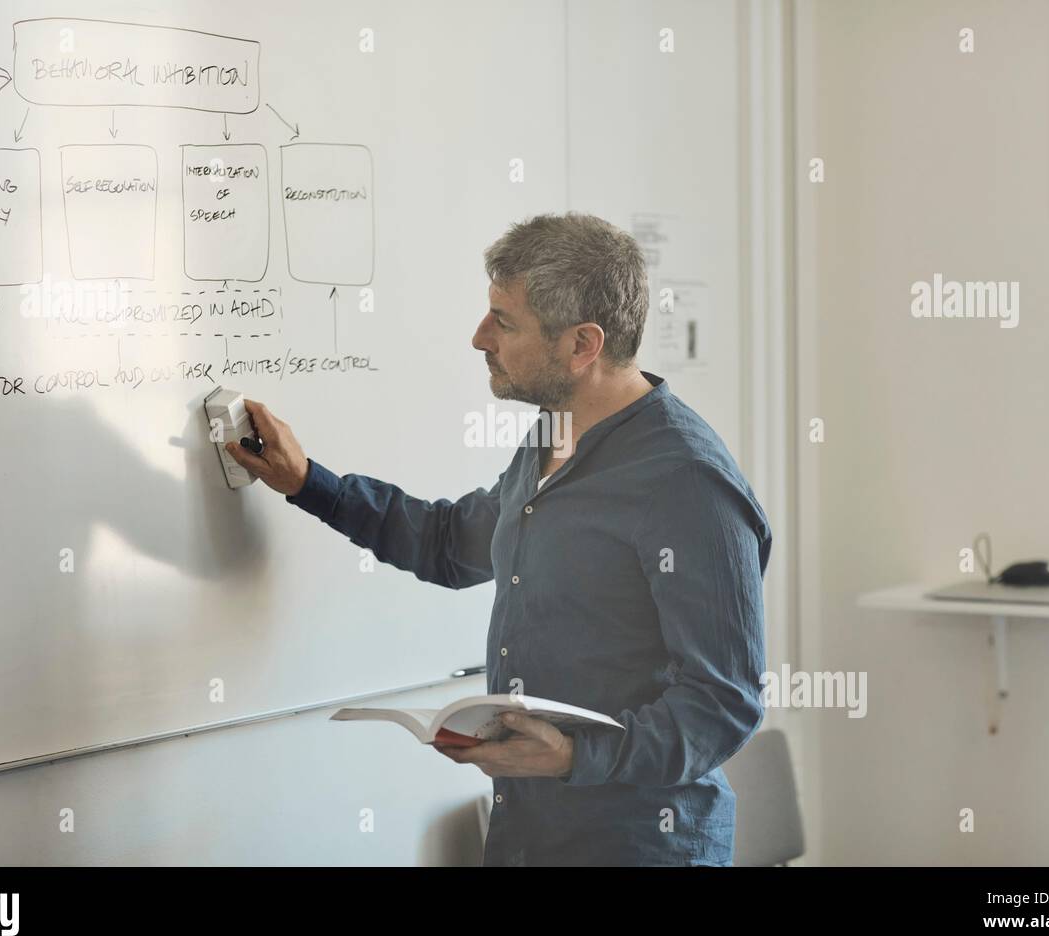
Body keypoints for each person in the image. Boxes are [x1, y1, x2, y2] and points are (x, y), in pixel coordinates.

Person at [225, 212, 771, 866]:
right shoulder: (551, 438)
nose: (479, 337)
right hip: (529, 837)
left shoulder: (686, 482)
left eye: (503, 322)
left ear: (582, 344)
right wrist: (308, 481)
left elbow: (722, 705)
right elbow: (449, 542)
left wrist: (574, 754)